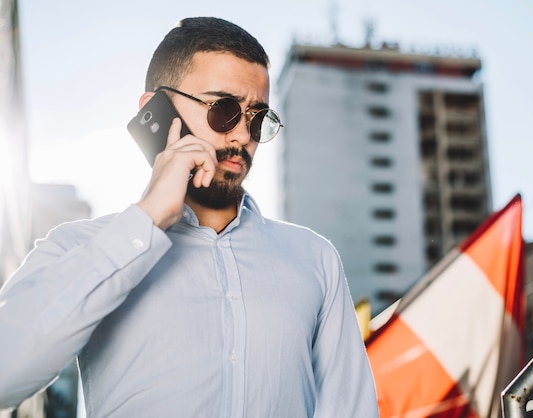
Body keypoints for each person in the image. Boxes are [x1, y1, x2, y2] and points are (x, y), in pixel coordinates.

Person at [0, 17, 379, 417]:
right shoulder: (79, 247)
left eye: (256, 118)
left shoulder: (315, 259)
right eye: (224, 110)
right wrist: (145, 221)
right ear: (155, 110)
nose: (241, 137)